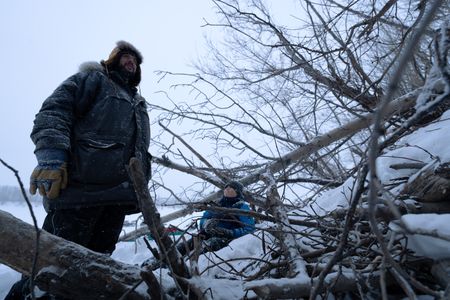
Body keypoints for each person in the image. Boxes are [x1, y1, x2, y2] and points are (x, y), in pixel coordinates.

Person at [6, 41, 151, 300]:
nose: (131, 62)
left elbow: (138, 151)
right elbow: (54, 112)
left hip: (118, 199)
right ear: (112, 59)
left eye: (136, 61)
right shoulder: (91, 80)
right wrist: (51, 157)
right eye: (126, 57)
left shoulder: (137, 103)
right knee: (48, 271)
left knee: (95, 269)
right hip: (79, 194)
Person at [143, 181, 255, 269]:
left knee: (200, 251)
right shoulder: (217, 204)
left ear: (238, 192)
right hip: (206, 233)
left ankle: (181, 267)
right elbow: (203, 218)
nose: (227, 190)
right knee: (184, 246)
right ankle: (156, 261)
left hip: (224, 238)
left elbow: (249, 228)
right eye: (226, 187)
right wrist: (206, 224)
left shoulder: (241, 207)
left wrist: (230, 232)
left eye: (232, 188)